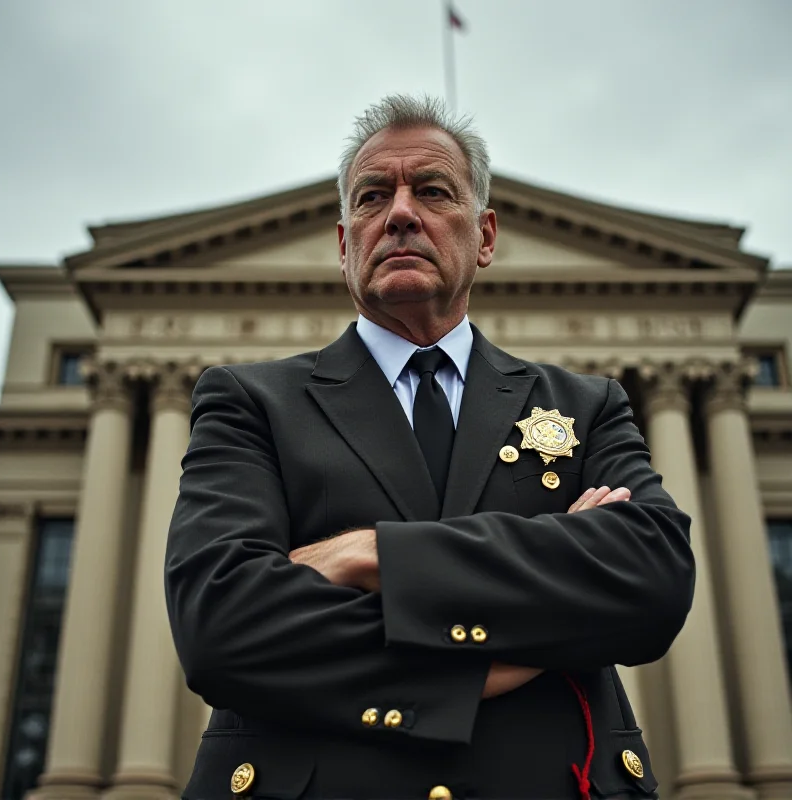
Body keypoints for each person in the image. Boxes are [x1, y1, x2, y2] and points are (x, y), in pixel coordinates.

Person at [165, 94, 694, 800]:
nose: (402, 212)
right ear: (346, 244)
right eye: (373, 196)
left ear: (484, 236)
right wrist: (525, 629)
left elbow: (652, 577)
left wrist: (374, 555)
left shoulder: (584, 405)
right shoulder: (248, 402)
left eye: (434, 191)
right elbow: (222, 624)